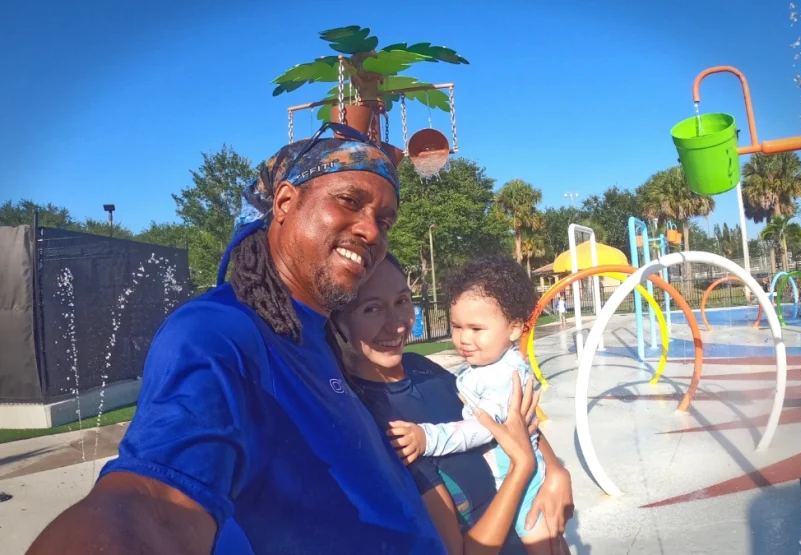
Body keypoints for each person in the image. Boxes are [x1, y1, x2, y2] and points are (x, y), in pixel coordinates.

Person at [29, 123, 483, 555]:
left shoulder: (316, 337)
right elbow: (155, 500)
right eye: (349, 201)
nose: (370, 231)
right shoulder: (220, 331)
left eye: (385, 220)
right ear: (284, 201)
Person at [333, 254, 574, 555]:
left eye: (403, 301)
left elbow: (503, 417)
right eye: (372, 308)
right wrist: (522, 468)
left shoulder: (422, 368)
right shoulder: (377, 417)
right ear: (339, 320)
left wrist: (555, 471)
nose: (396, 324)